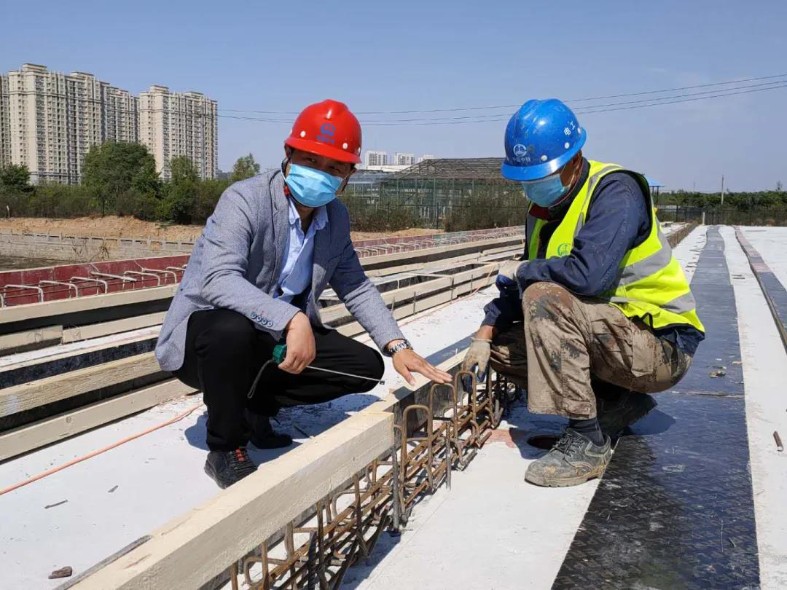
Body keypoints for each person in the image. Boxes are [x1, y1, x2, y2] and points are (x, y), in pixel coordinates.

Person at [155, 99, 451, 489]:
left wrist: (397, 346)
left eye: (334, 167)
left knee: (364, 367)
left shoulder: (335, 218)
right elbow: (218, 279)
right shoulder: (245, 200)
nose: (320, 174)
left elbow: (355, 285)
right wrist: (292, 318)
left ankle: (257, 408)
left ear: (348, 175)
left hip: (270, 338)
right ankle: (226, 448)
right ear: (289, 154)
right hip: (209, 342)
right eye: (311, 160)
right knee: (232, 331)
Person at [462, 99, 704, 488]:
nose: (532, 186)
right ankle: (615, 403)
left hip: (661, 344)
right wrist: (484, 333)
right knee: (504, 346)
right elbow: (519, 285)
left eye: (542, 175)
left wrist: (524, 270)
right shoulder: (542, 211)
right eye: (526, 178)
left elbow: (587, 276)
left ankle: (587, 441)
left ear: (574, 160)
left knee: (543, 299)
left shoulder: (615, 191)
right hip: (611, 335)